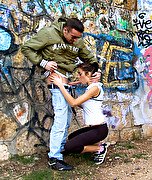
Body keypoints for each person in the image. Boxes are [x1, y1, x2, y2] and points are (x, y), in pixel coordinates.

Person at [21, 17, 101, 171]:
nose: (76, 40)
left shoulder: (77, 40)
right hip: (56, 81)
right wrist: (44, 63)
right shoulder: (49, 34)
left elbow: (90, 59)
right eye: (73, 37)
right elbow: (27, 48)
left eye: (78, 38)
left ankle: (60, 151)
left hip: (69, 83)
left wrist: (96, 72)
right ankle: (54, 158)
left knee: (66, 120)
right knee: (61, 119)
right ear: (65, 30)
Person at [50, 63, 109, 166]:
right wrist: (73, 85)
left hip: (99, 129)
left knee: (69, 147)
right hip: (94, 128)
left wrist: (60, 85)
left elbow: (73, 103)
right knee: (72, 137)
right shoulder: (90, 88)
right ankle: (99, 145)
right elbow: (82, 104)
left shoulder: (94, 89)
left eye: (80, 73)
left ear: (88, 74)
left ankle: (100, 148)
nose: (78, 76)